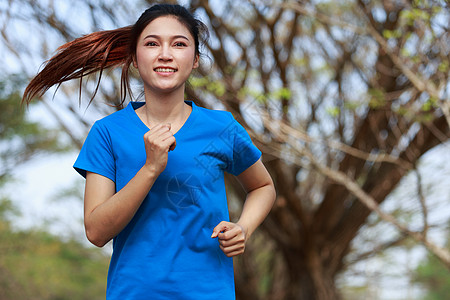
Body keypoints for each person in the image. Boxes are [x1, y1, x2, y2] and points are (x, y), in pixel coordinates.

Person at [23, 4, 276, 300]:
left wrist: (243, 228)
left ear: (195, 60)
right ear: (134, 57)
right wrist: (151, 168)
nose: (165, 54)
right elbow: (96, 231)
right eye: (152, 43)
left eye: (179, 44)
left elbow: (263, 186)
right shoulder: (107, 133)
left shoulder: (221, 127)